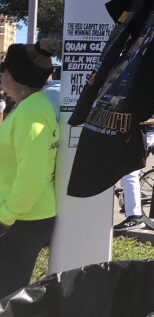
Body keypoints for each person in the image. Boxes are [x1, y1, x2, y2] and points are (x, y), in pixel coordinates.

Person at [0, 41, 60, 298]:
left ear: (15, 77)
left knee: (6, 296)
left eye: (4, 69)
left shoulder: (31, 114)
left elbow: (32, 175)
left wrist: (5, 216)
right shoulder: (30, 107)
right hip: (23, 217)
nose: (1, 74)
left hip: (21, 220)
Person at [113, 106, 154, 232]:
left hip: (146, 131)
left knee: (129, 172)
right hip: (140, 130)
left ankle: (134, 216)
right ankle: (125, 195)